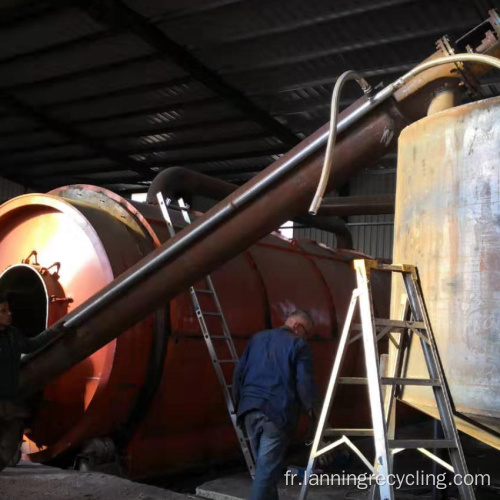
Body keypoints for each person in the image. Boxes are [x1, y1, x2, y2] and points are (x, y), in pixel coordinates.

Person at [233, 310, 319, 500]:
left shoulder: (257, 338)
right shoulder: (298, 344)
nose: (307, 338)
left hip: (249, 410)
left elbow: (239, 374)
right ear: (297, 327)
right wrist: (314, 414)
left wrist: (239, 406)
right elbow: (304, 384)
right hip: (276, 414)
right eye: (307, 332)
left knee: (266, 470)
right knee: (265, 473)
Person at [0, 294, 48, 468]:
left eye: (8, 309)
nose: (9, 313)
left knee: (12, 433)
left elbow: (31, 345)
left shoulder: (13, 335)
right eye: (3, 311)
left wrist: (53, 332)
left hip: (9, 398)